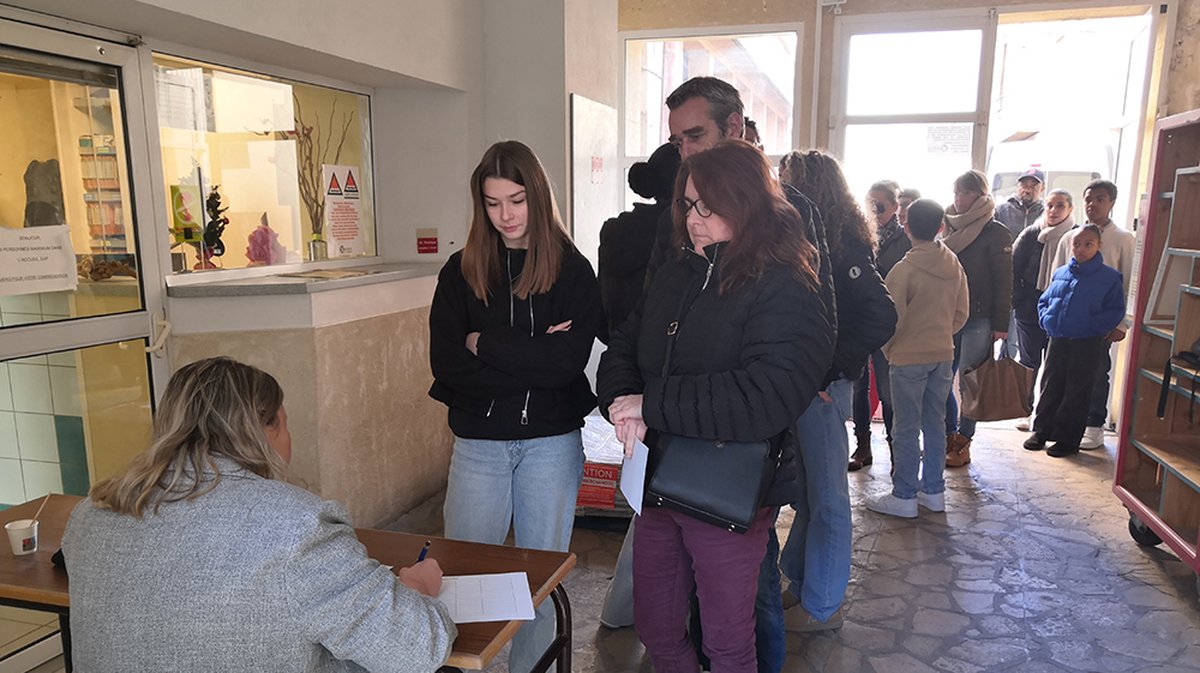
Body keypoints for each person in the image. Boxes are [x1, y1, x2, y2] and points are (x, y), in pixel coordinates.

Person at [598, 139, 834, 673]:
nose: (693, 220)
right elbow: (624, 344)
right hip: (658, 481)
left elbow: (766, 396)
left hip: (728, 492)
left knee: (727, 644)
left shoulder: (786, 283)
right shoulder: (679, 271)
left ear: (746, 203)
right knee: (656, 626)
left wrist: (652, 404)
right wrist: (619, 401)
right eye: (687, 205)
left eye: (708, 207)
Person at [62, 357, 456, 673]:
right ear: (264, 432)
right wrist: (415, 588)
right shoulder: (298, 528)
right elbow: (419, 648)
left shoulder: (90, 514)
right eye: (284, 424)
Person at [427, 140, 603, 673]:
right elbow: (447, 365)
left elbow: (565, 365)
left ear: (538, 197)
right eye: (493, 202)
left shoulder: (573, 270)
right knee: (462, 574)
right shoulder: (460, 271)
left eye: (517, 200)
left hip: (551, 444)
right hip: (478, 446)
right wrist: (533, 358)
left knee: (540, 580)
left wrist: (484, 343)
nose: (505, 215)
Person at [777, 152, 896, 634]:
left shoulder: (844, 248)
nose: (779, 189)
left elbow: (881, 317)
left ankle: (823, 605)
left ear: (811, 189)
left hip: (823, 388)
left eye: (788, 182)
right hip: (807, 385)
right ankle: (802, 582)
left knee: (827, 498)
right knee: (809, 495)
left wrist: (830, 368)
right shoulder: (815, 238)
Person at [866, 199, 969, 518]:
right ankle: (934, 491)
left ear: (906, 226)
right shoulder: (953, 264)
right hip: (942, 354)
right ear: (941, 227)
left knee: (906, 427)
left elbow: (889, 319)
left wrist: (891, 349)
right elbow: (961, 312)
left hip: (907, 357)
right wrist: (941, 335)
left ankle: (905, 495)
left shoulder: (904, 270)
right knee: (935, 424)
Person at [1025, 224, 1126, 457]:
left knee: (1077, 390)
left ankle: (1068, 440)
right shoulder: (1061, 272)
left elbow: (1114, 310)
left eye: (1088, 244)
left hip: (1087, 341)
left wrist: (1092, 327)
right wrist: (1047, 320)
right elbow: (1045, 300)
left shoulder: (1109, 278)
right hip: (1058, 337)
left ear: (1099, 245)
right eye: (1077, 244)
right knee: (1050, 385)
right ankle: (1041, 432)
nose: (1081, 249)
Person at [1050, 179, 1134, 450]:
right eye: (1088, 199)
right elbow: (1056, 277)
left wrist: (1122, 323)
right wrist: (1051, 316)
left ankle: (1094, 424)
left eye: (1100, 199)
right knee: (1062, 375)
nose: (1093, 204)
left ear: (1111, 203)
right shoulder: (1070, 237)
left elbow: (1130, 282)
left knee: (1096, 373)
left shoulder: (1123, 239)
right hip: (1067, 322)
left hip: (1101, 322)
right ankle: (1059, 427)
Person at [941, 169, 1013, 468]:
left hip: (979, 317)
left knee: (970, 381)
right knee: (942, 377)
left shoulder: (995, 232)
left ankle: (964, 439)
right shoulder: (947, 227)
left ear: (981, 196)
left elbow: (1003, 281)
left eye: (967, 193)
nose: (960, 199)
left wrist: (1001, 325)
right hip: (947, 315)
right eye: (957, 192)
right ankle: (947, 434)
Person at [849, 180, 910, 471]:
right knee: (859, 387)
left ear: (895, 207)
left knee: (887, 390)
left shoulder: (905, 240)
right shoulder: (859, 234)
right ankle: (862, 445)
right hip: (860, 319)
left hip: (888, 322)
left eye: (881, 206)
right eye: (870, 205)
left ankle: (896, 449)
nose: (875, 211)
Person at [598, 141, 681, 333]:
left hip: (616, 343)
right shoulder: (679, 233)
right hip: (661, 347)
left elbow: (600, 311)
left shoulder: (614, 230)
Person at [1010, 188, 1076, 430]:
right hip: (1030, 307)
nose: (1053, 211)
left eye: (1060, 206)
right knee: (1029, 361)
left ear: (1070, 209)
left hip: (1061, 309)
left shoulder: (1076, 235)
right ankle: (1025, 411)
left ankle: (1049, 415)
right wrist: (1018, 301)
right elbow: (1013, 269)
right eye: (1049, 205)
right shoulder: (1032, 234)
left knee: (1056, 364)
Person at [996, 167, 1047, 238]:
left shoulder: (1046, 212)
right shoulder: (1001, 210)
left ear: (1042, 188)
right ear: (1018, 186)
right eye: (1024, 185)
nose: (1027, 190)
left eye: (1033, 186)